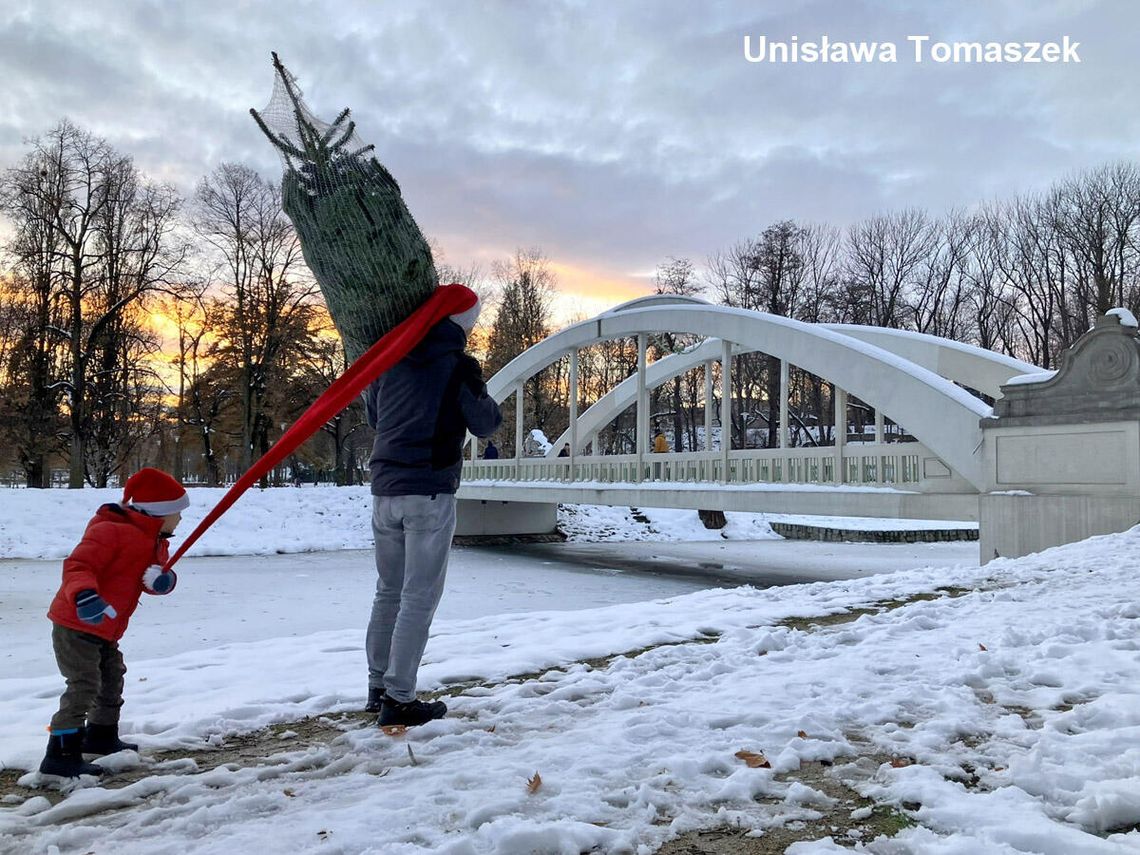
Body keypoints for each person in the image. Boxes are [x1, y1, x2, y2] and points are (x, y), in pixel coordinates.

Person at [363, 294, 502, 727]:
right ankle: (400, 698)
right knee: (418, 596)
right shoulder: (458, 366)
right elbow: (485, 423)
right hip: (429, 490)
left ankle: (377, 687)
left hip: (385, 489)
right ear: (462, 324)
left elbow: (375, 417)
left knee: (388, 591)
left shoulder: (389, 358)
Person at [38, 468, 187, 778]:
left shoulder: (155, 540)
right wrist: (85, 595)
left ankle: (101, 735)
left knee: (111, 678)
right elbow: (79, 566)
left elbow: (149, 579)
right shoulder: (110, 531)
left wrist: (162, 581)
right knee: (84, 684)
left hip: (106, 627)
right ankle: (59, 756)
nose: (180, 519)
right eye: (177, 513)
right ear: (158, 512)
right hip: (76, 622)